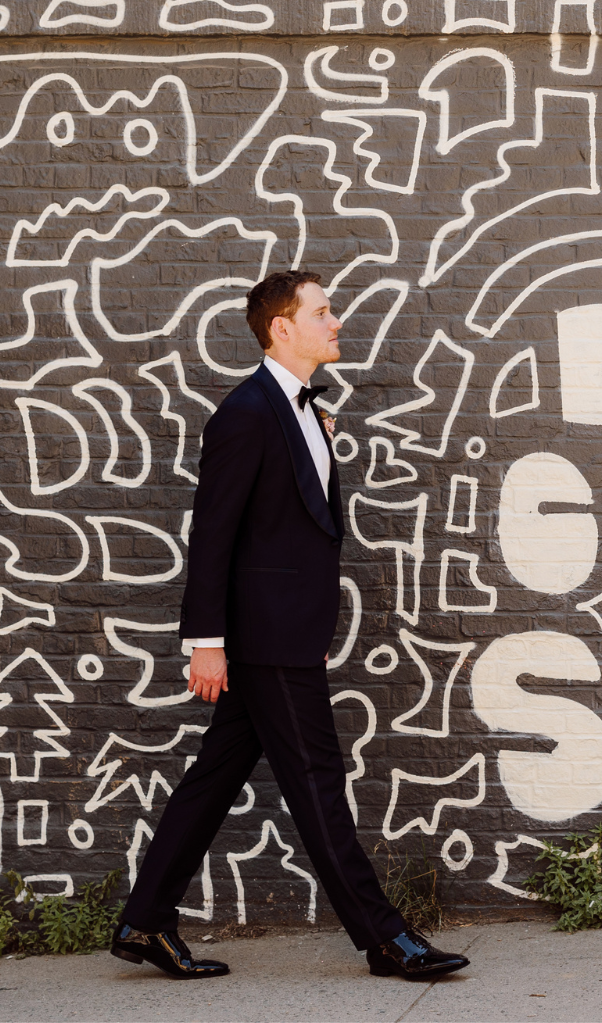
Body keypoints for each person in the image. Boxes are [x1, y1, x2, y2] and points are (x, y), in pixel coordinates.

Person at [110, 270, 470, 983]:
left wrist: (315, 610)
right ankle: (386, 938)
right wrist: (205, 641)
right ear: (283, 326)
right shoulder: (244, 413)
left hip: (288, 629)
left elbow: (295, 528)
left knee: (214, 778)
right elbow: (213, 535)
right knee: (317, 782)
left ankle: (144, 920)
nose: (336, 321)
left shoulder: (303, 410)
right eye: (323, 311)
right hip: (262, 639)